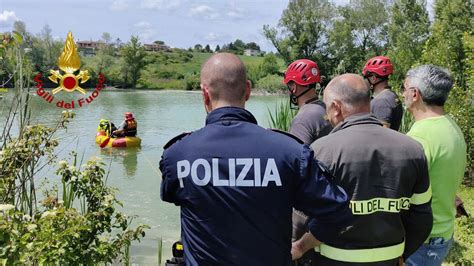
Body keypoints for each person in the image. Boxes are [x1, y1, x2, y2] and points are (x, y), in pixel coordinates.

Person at [159, 53, 353, 265]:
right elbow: (338, 211)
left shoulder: (178, 155)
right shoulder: (289, 152)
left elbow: (173, 195)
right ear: (248, 90)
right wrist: (301, 246)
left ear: (205, 94)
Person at [292, 73, 433, 265]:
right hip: (389, 259)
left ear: (336, 107)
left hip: (332, 258)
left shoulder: (322, 150)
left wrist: (298, 246)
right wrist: (403, 254)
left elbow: (301, 217)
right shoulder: (413, 149)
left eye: (327, 108)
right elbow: (422, 218)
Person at [403, 65, 467, 265]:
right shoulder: (450, 126)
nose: (402, 93)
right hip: (442, 232)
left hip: (421, 240)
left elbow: (403, 193)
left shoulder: (422, 136)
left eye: (404, 88)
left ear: (415, 94)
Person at [283, 59, 332, 266]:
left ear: (295, 86)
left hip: (305, 205)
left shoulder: (305, 117)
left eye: (290, 85)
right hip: (325, 196)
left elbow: (293, 159)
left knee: (296, 254)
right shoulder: (324, 109)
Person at [283, 59, 332, 144]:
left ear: (293, 87)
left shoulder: (302, 121)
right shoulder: (326, 108)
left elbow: (297, 156)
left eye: (289, 87)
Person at [362, 56, 403, 130]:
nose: (364, 81)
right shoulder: (392, 95)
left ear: (373, 78)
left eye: (365, 77)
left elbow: (381, 135)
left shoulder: (381, 102)